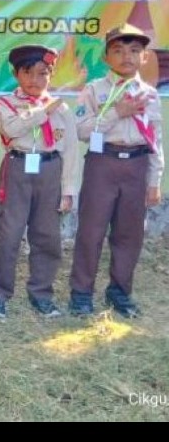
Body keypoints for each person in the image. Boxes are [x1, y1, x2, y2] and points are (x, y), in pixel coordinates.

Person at [69, 24, 163, 318]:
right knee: (91, 231)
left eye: (134, 51)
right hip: (103, 163)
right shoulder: (93, 90)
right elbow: (81, 131)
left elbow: (155, 140)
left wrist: (155, 180)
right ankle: (81, 293)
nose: (127, 57)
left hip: (136, 165)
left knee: (129, 234)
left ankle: (120, 291)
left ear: (144, 57)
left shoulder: (149, 95)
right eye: (118, 51)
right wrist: (116, 112)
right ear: (106, 57)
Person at [0, 45, 78, 319]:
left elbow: (71, 150)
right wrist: (43, 111)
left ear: (51, 75)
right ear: (16, 74)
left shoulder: (62, 109)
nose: (35, 80)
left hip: (50, 170)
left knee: (47, 236)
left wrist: (68, 190)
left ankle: (42, 293)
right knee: (8, 234)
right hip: (18, 168)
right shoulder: (5, 104)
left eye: (42, 73)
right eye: (28, 73)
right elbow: (12, 129)